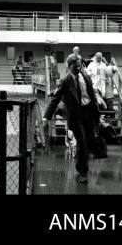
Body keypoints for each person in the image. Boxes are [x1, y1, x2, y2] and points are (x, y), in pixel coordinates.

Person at [43, 54, 100, 184]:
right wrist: (46, 117)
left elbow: (92, 97)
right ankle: (83, 173)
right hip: (76, 116)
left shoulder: (86, 77)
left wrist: (97, 114)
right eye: (75, 66)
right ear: (69, 67)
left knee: (89, 144)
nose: (78, 68)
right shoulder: (65, 81)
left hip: (88, 114)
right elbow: (55, 100)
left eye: (80, 65)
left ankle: (80, 166)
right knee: (82, 144)